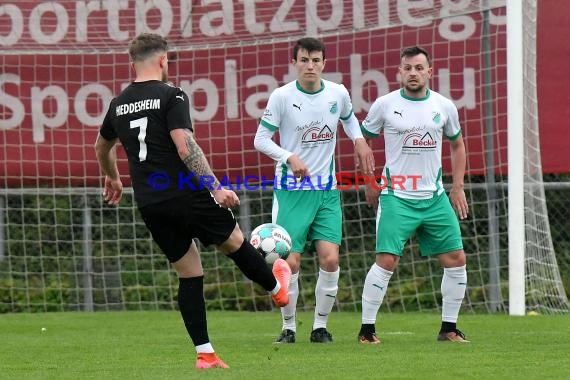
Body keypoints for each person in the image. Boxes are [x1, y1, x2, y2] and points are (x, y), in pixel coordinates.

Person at [94, 33, 292, 369]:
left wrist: (112, 176)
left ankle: (205, 353)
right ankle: (276, 287)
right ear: (163, 60)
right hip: (185, 192)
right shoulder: (172, 95)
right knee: (234, 242)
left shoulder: (118, 104)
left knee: (189, 272)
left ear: (132, 64)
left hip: (150, 202)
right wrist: (215, 187)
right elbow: (185, 146)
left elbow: (101, 147)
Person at [254, 37, 375, 344]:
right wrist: (288, 156)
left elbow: (348, 120)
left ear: (324, 63)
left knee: (330, 259)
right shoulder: (282, 97)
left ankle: (320, 326)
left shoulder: (337, 93)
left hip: (327, 191)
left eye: (316, 60)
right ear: (294, 62)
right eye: (304, 60)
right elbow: (261, 139)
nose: (310, 65)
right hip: (292, 191)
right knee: (290, 262)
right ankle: (289, 327)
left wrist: (359, 140)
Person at [357, 46, 469, 344]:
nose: (413, 73)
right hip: (396, 195)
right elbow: (363, 141)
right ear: (400, 72)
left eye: (419, 68)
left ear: (429, 72)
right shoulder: (384, 104)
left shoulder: (444, 106)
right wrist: (369, 181)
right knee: (386, 261)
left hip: (434, 198)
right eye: (407, 68)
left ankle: (449, 329)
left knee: (456, 258)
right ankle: (367, 331)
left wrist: (457, 187)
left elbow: (458, 146)